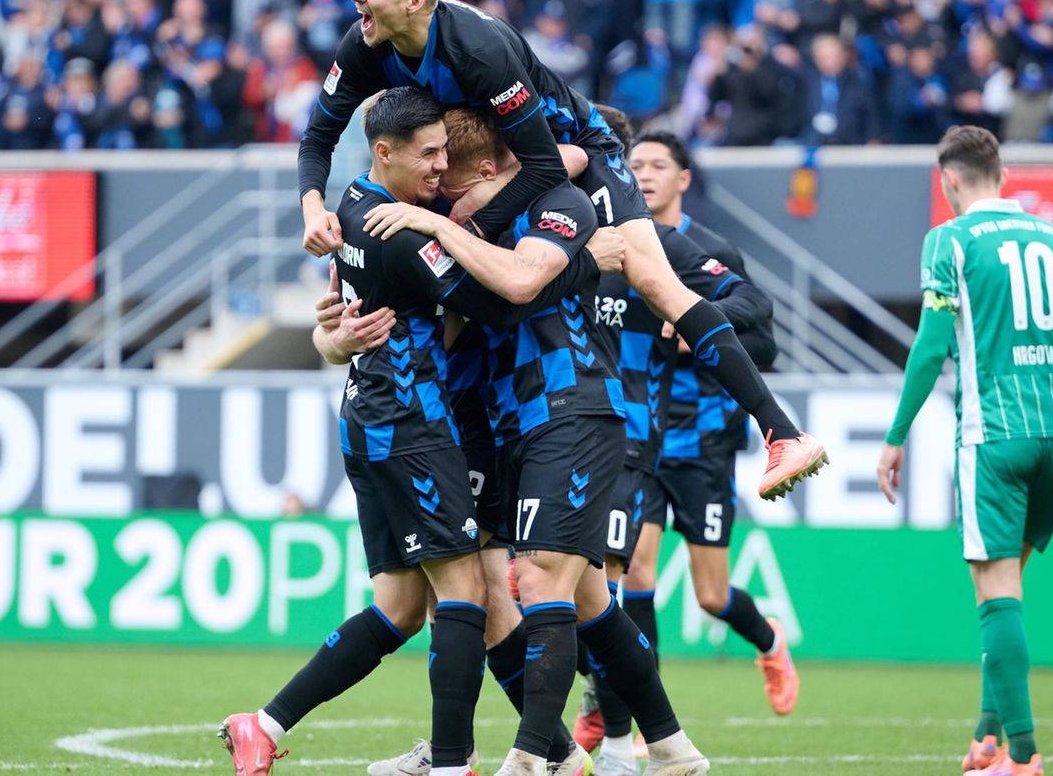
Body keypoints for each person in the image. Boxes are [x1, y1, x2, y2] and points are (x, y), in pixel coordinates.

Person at [294, 0, 826, 501]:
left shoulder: (477, 49)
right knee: (460, 289)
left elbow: (550, 164)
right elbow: (317, 136)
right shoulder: (366, 42)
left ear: (414, 0)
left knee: (657, 284)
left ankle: (782, 432)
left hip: (573, 149)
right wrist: (314, 207)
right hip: (494, 167)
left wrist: (471, 226)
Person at [219, 88, 609, 776]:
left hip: (376, 421)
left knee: (401, 607)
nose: (438, 167)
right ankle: (455, 765)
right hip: (414, 426)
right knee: (466, 595)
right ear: (384, 153)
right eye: (428, 155)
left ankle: (263, 723)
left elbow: (338, 322)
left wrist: (333, 337)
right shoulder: (398, 230)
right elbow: (500, 301)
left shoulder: (353, 209)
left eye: (445, 153)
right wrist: (580, 260)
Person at [361, 104, 711, 776]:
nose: (444, 192)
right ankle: (671, 747)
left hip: (571, 409)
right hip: (507, 421)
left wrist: (439, 222)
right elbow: (461, 315)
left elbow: (522, 276)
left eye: (453, 181)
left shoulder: (558, 206)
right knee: (581, 600)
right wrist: (336, 334)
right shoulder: (475, 225)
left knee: (540, 584)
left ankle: (529, 760)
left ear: (489, 169)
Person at [875, 126, 1053, 776]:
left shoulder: (949, 240)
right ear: (1001, 174)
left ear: (949, 180)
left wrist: (895, 436)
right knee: (1010, 588)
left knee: (994, 592)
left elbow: (929, 347)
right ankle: (987, 734)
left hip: (993, 436)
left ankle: (1026, 755)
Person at [574, 126, 797, 776]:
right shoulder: (609, 238)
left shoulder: (704, 249)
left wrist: (690, 324)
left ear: (682, 179)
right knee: (633, 571)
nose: (642, 172)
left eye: (655, 164)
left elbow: (764, 341)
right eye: (633, 162)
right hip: (633, 435)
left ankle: (767, 638)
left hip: (701, 440)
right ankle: (640, 720)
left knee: (708, 593)